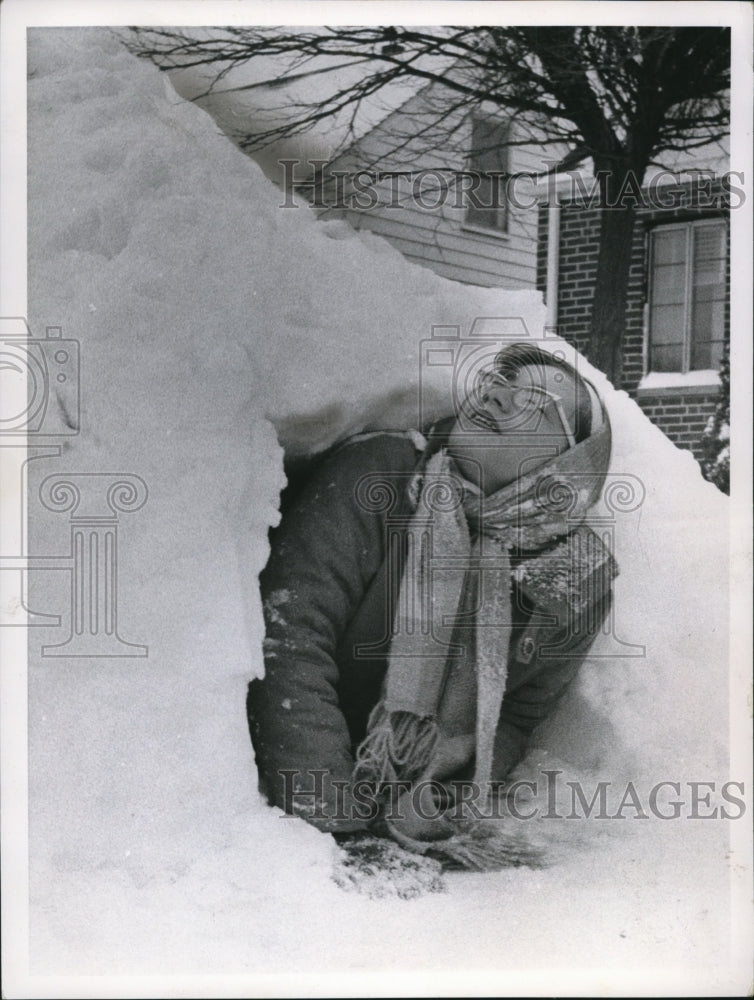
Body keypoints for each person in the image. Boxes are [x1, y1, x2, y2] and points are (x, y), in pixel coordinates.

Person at [247, 343, 617, 868]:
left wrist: (437, 793)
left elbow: (518, 714)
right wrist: (340, 820)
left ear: (568, 462)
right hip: (309, 791)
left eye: (530, 401)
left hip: (404, 808)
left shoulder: (574, 576)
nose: (493, 397)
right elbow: (290, 641)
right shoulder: (382, 478)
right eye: (495, 383)